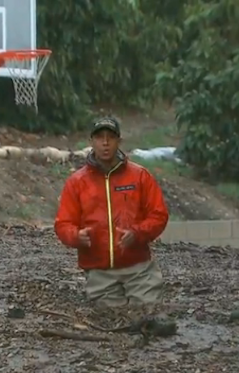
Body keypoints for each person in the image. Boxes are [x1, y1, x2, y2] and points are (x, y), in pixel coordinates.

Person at [54, 116, 170, 308]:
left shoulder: (140, 176)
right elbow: (63, 223)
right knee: (110, 321)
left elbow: (159, 215)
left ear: (119, 141)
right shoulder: (77, 182)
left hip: (139, 268)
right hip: (100, 272)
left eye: (111, 137)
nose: (105, 143)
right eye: (100, 137)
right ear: (92, 142)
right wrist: (75, 236)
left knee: (148, 314)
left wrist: (138, 233)